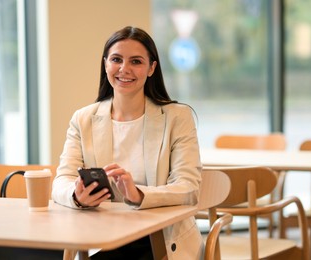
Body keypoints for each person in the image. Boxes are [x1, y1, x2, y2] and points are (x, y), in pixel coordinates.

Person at [52, 26, 203, 260]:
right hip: (102, 239)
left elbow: (188, 187)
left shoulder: (177, 117)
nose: (124, 69)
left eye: (136, 61)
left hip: (160, 240)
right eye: (116, 59)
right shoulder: (83, 119)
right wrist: (77, 196)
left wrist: (139, 195)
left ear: (152, 68)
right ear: (105, 65)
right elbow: (61, 181)